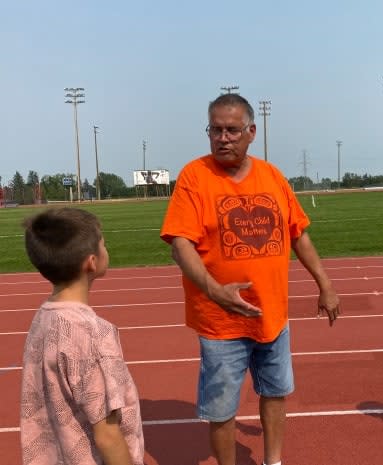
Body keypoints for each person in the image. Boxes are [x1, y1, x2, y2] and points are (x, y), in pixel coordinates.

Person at [160, 93, 340, 465]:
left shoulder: (272, 176)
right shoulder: (195, 177)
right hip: (221, 323)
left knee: (275, 393)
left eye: (232, 130)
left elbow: (298, 235)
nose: (223, 138)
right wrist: (215, 292)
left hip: (273, 318)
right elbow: (180, 245)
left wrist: (326, 285)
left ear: (251, 132)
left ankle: (273, 462)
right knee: (221, 409)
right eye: (215, 130)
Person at [20, 208, 144, 465]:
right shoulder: (93, 334)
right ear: (92, 261)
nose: (106, 248)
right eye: (103, 243)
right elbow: (107, 436)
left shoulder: (42, 318)